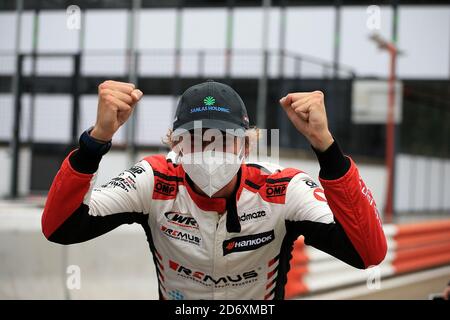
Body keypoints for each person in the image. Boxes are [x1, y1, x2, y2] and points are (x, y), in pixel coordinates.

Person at [42, 79, 387, 300]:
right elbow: (60, 227)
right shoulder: (154, 180)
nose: (209, 151)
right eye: (195, 138)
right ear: (175, 145)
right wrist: (95, 142)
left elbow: (368, 252)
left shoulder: (283, 189)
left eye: (224, 139)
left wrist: (327, 148)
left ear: (246, 147)